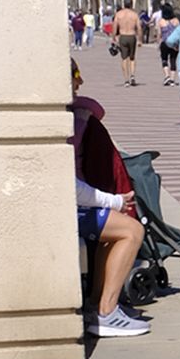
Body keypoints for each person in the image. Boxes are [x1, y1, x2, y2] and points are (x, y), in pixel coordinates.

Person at [71, 67, 148, 338]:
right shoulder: (74, 120)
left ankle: (97, 305)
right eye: (74, 76)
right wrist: (113, 201)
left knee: (114, 233)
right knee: (132, 231)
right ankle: (106, 312)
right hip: (71, 209)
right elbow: (68, 184)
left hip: (71, 206)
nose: (79, 83)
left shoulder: (71, 116)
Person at [112, 0, 141, 86]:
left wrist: (113, 38)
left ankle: (126, 80)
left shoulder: (119, 14)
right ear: (131, 4)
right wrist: (140, 39)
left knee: (124, 58)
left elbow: (114, 27)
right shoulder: (134, 15)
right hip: (132, 36)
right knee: (132, 58)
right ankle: (132, 75)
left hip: (123, 36)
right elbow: (139, 27)